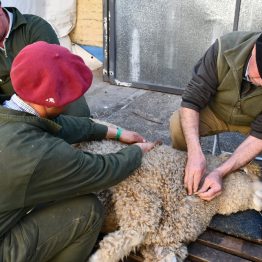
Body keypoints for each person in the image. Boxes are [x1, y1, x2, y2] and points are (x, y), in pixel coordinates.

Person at [0, 41, 157, 261]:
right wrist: (138, 152)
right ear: (51, 103)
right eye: (69, 98)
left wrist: (115, 132)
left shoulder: (11, 112)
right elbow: (102, 170)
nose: (71, 103)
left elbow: (58, 124)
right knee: (88, 211)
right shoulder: (37, 154)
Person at [169, 31, 262, 201]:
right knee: (178, 124)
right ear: (255, 49)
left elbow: (260, 136)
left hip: (253, 120)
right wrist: (194, 153)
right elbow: (191, 100)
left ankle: (255, 190)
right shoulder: (224, 47)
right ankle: (184, 168)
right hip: (216, 110)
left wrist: (220, 171)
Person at [0, 1, 90, 117]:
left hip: (50, 97)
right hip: (13, 107)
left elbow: (55, 75)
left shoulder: (34, 27)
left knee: (77, 124)